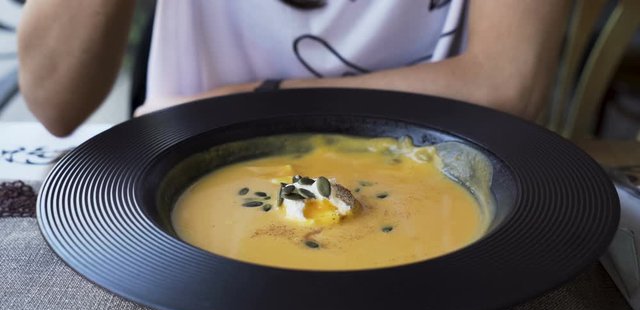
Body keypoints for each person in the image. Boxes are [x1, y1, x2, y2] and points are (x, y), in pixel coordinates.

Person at [18, 0, 570, 137]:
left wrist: (251, 96)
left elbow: (507, 83)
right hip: (179, 185)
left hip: (440, 169)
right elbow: (54, 104)